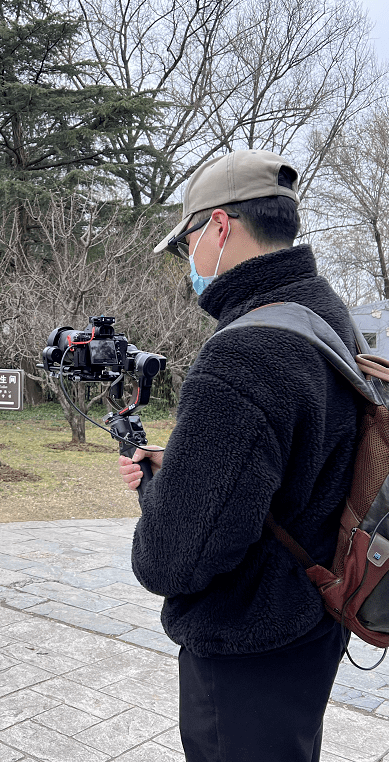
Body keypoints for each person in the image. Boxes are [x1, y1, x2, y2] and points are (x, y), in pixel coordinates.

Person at [118, 150, 361, 761]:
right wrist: (186, 470)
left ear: (220, 228)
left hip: (249, 640)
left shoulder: (242, 354)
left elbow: (173, 558)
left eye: (187, 245)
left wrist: (157, 495)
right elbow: (301, 462)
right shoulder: (326, 318)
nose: (190, 264)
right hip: (316, 612)